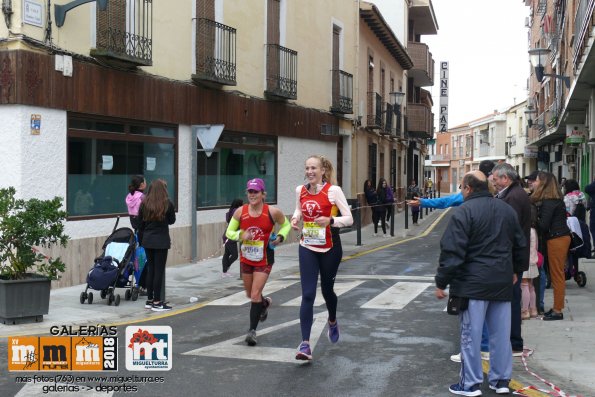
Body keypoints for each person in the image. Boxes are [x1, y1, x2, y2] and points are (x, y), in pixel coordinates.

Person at [435, 171, 526, 396]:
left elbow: (452, 250)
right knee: (501, 336)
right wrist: (516, 270)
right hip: (502, 283)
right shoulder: (506, 210)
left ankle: (470, 384)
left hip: (472, 285)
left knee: (470, 337)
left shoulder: (464, 212)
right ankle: (501, 380)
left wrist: (441, 281)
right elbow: (520, 242)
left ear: (467, 188)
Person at [291, 155, 353, 361]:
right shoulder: (300, 190)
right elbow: (299, 209)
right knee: (307, 294)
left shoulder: (334, 191)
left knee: (327, 290)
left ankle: (332, 320)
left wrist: (331, 220)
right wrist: (295, 218)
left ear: (322, 171)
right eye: (307, 168)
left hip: (330, 247)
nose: (310, 172)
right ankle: (305, 344)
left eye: (314, 168)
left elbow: (349, 218)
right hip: (307, 245)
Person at [225, 178, 290, 346]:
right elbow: (229, 232)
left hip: (265, 258)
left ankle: (252, 331)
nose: (252, 195)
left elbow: (286, 225)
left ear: (263, 194)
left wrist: (281, 237)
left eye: (256, 192)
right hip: (246, 258)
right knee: (250, 294)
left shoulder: (272, 212)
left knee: (254, 294)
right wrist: (241, 235)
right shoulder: (240, 212)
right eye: (250, 192)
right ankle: (264, 304)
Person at [491, 163, 531, 356]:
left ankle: (515, 343)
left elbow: (512, 233)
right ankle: (513, 341)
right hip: (513, 258)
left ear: (505, 179)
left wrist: (513, 267)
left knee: (513, 301)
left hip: (512, 260)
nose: (493, 181)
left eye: (496, 178)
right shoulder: (513, 194)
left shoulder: (513, 197)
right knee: (512, 300)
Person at [531, 172, 570, 321]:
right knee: (556, 274)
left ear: (544, 183)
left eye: (537, 180)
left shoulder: (548, 202)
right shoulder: (557, 200)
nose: (536, 183)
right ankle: (556, 307)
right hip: (560, 237)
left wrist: (533, 220)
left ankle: (557, 310)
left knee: (557, 275)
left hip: (556, 239)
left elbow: (544, 225)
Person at [137, 179, 176, 312]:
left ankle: (149, 300)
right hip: (161, 241)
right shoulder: (167, 204)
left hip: (147, 240)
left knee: (151, 270)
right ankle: (158, 302)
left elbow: (139, 224)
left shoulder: (144, 203)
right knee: (159, 271)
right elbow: (172, 221)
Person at [126, 174, 147, 294]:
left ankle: (139, 283)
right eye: (145, 182)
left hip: (135, 229)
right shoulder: (143, 198)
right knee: (144, 258)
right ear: (141, 185)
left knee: (137, 258)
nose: (146, 183)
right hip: (144, 229)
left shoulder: (129, 197)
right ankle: (142, 284)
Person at [521, 215, 540, 320]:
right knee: (530, 286)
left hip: (526, 261)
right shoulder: (533, 230)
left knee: (524, 285)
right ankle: (533, 309)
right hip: (533, 261)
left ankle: (525, 311)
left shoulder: (525, 231)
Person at [221, 199, 243, 278]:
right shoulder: (236, 211)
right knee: (234, 255)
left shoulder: (230, 211)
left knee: (227, 254)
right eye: (241, 204)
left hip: (227, 235)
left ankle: (224, 272)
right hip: (230, 236)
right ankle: (225, 268)